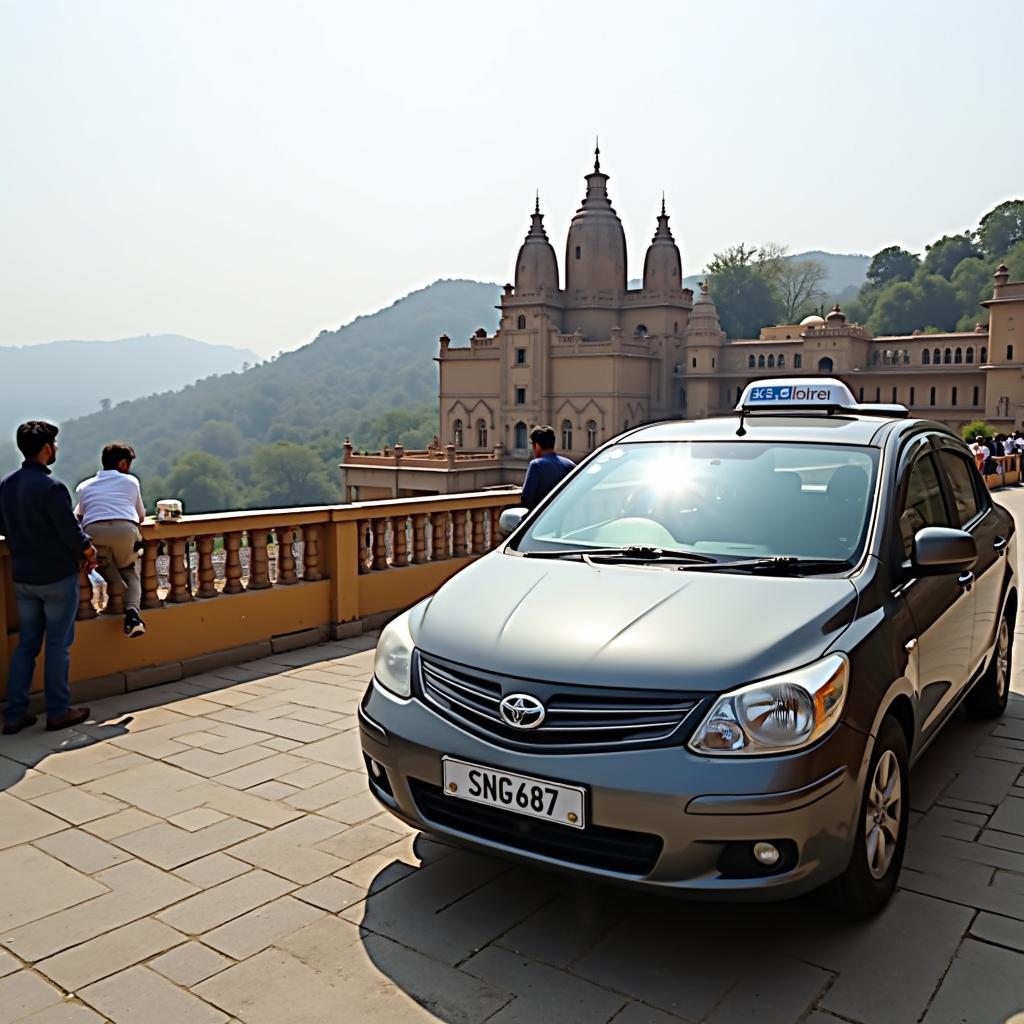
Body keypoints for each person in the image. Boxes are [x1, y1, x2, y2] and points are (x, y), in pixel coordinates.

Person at [0, 421, 94, 735]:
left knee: (26, 644)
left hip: (23, 577)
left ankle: (14, 714)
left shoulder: (7, 485)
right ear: (46, 448)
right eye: (54, 444)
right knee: (57, 645)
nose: (56, 449)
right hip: (56, 576)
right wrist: (88, 550)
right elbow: (70, 532)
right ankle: (58, 711)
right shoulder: (52, 487)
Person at [75, 443, 147, 638]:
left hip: (93, 530)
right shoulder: (131, 482)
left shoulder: (84, 486)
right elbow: (141, 517)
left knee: (102, 562)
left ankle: (114, 585)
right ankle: (132, 615)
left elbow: (78, 516)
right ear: (123, 463)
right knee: (129, 570)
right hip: (124, 530)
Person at [521, 425, 574, 510]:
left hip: (542, 520)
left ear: (537, 446)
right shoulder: (570, 465)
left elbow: (526, 499)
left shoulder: (536, 465)